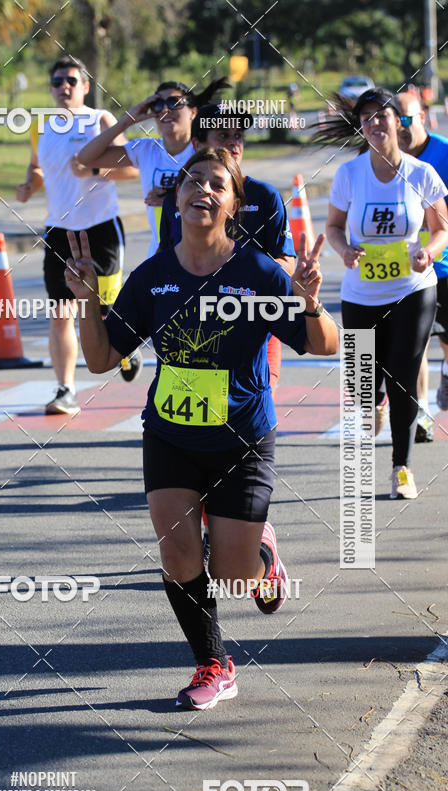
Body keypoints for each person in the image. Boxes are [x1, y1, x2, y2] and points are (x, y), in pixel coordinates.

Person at [64, 148, 338, 709]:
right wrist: (89, 302)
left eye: (217, 184)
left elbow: (322, 343)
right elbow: (99, 359)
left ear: (233, 204)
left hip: (242, 440)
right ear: (176, 198)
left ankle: (261, 557)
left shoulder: (256, 273)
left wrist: (310, 303)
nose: (202, 190)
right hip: (170, 434)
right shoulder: (154, 275)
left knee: (231, 575)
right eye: (192, 181)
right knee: (178, 554)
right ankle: (213, 664)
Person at [322, 89, 448, 499]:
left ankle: (401, 468)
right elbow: (334, 227)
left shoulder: (421, 173)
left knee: (404, 375)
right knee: (363, 386)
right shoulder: (349, 175)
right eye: (367, 118)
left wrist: (427, 252)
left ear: (400, 122)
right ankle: (373, 401)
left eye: (383, 115)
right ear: (361, 126)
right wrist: (343, 250)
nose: (375, 123)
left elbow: (443, 227)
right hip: (361, 294)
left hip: (413, 290)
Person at [15, 56, 139, 415]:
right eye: (57, 82)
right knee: (61, 312)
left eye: (71, 80)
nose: (63, 87)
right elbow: (38, 168)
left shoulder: (100, 120)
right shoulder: (41, 127)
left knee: (104, 311)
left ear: (85, 86)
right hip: (58, 230)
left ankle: (124, 349)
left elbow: (132, 168)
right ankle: (65, 389)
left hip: (101, 227)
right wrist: (29, 186)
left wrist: (93, 168)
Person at [158, 102, 297, 397]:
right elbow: (165, 260)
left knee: (253, 408)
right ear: (198, 144)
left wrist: (243, 280)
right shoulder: (176, 200)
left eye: (239, 135)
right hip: (192, 328)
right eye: (222, 135)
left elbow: (286, 261)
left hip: (255, 326)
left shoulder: (265, 195)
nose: (234, 142)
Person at [76, 78, 229, 257]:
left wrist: (171, 199)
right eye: (158, 105)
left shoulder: (206, 152)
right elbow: (86, 158)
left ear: (192, 112)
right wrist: (127, 121)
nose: (165, 109)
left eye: (174, 103)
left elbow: (221, 199)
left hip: (202, 254)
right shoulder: (146, 150)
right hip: (160, 254)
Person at [395, 91, 448, 437]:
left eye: (406, 119)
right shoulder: (387, 159)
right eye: (393, 119)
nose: (400, 128)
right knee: (416, 344)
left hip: (445, 266)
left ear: (424, 116)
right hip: (406, 272)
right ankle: (423, 415)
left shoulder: (443, 152)